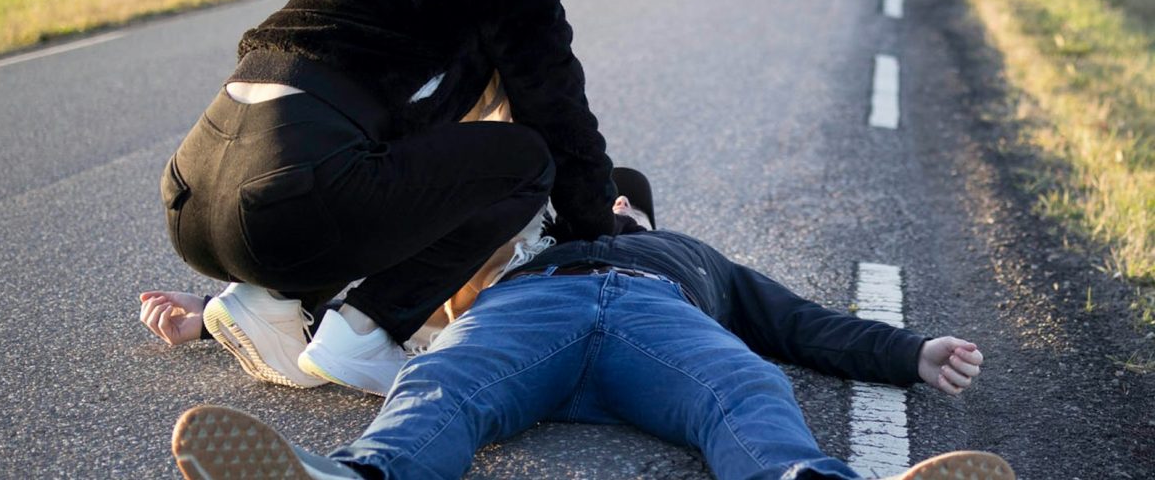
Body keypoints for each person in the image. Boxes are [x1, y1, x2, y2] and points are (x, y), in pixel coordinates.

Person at [154, 0, 638, 397]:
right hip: (286, 196)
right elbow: (558, 110)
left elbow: (401, 179)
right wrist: (598, 226)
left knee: (377, 162)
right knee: (527, 159)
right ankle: (365, 331)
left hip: (193, 195)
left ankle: (264, 300)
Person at [165, 173, 1014, 480]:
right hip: (533, 316)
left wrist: (911, 352)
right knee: (442, 379)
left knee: (748, 382)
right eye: (596, 197)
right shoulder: (521, 255)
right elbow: (381, 280)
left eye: (623, 198)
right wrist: (210, 320)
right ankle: (358, 479)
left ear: (644, 214)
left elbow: (799, 325)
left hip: (658, 326)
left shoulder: (695, 258)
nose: (609, 202)